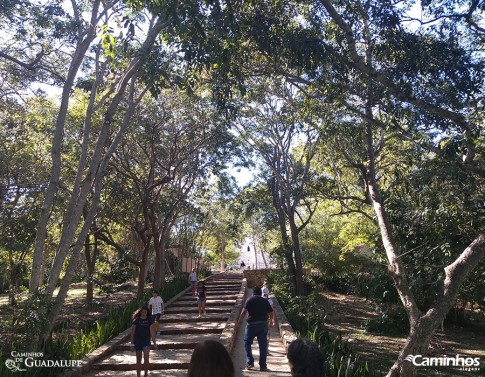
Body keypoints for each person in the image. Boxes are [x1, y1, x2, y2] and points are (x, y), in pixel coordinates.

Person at [237, 286, 274, 372]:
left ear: (253, 293)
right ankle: (263, 366)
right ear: (261, 293)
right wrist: (271, 321)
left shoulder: (250, 300)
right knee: (263, 346)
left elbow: (244, 312)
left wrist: (239, 323)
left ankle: (250, 362)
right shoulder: (265, 301)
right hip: (263, 325)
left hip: (251, 325)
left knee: (247, 342)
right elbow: (271, 311)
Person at [130, 306, 158, 377]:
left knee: (146, 358)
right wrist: (132, 344)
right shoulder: (136, 320)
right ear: (140, 312)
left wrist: (154, 343)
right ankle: (138, 375)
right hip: (138, 341)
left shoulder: (149, 320)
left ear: (147, 312)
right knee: (138, 359)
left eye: (145, 312)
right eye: (142, 312)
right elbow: (132, 333)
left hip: (146, 341)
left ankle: (146, 374)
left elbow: (152, 332)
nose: (144, 313)